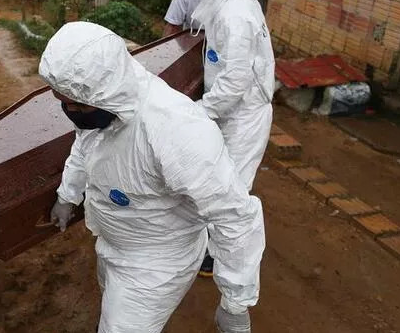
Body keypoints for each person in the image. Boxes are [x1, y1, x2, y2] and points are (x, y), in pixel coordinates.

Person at [43, 22, 265, 333]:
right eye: (61, 101)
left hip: (156, 265)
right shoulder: (98, 105)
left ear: (107, 89)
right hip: (112, 244)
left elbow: (235, 216)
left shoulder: (177, 131)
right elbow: (85, 143)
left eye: (76, 104)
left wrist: (236, 302)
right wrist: (68, 194)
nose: (69, 110)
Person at [186, 0, 275, 277]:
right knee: (219, 178)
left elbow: (236, 78)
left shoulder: (235, 14)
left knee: (233, 188)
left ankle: (221, 258)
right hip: (230, 109)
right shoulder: (227, 2)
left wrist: (202, 111)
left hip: (245, 114)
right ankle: (211, 246)